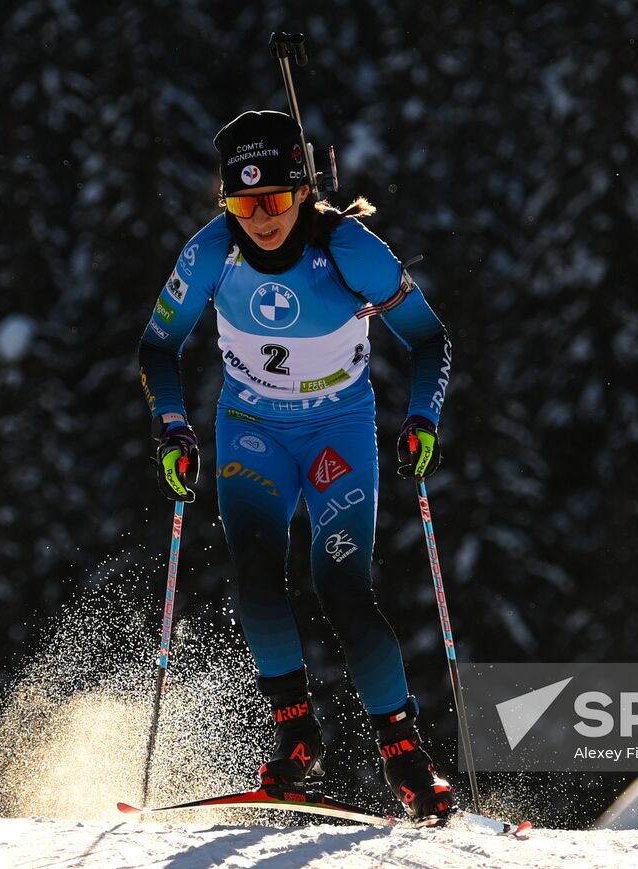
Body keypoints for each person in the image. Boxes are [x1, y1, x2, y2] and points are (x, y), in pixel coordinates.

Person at [136, 110, 455, 821]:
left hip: (336, 431)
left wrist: (423, 419)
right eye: (243, 204)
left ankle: (404, 754)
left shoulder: (348, 248)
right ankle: (295, 734)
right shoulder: (212, 251)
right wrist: (173, 426)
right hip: (253, 430)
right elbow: (157, 346)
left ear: (304, 191)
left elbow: (431, 340)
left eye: (275, 201)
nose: (261, 219)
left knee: (342, 587)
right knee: (255, 568)